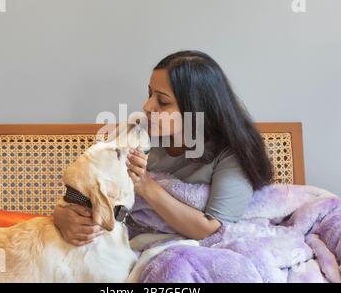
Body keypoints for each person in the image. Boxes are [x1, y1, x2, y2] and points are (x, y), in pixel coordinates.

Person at [53, 50, 273, 246]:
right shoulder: (138, 132)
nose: (147, 107)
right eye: (150, 94)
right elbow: (86, 189)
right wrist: (62, 217)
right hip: (134, 243)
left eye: (163, 101)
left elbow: (212, 231)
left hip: (195, 251)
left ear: (197, 107)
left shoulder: (233, 153)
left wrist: (145, 185)